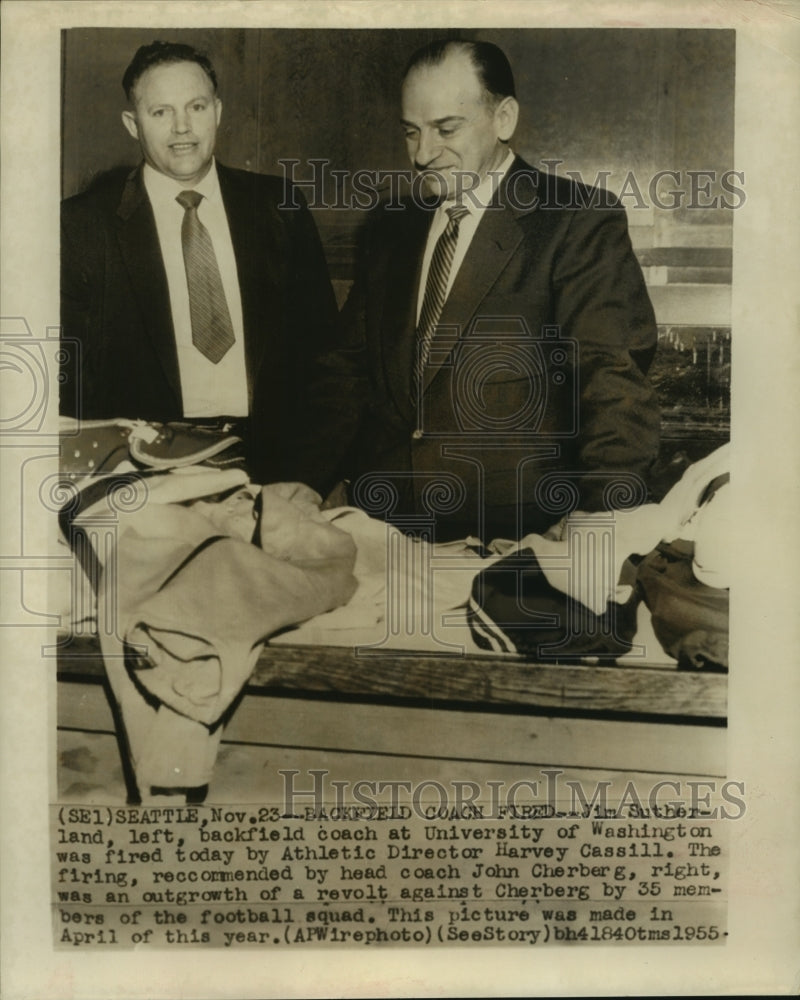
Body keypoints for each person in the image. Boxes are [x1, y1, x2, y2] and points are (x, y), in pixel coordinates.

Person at [290, 39, 660, 542]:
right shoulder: (388, 228)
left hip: (516, 532)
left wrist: (600, 520)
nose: (423, 155)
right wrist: (301, 483)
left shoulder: (577, 219)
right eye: (411, 132)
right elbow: (347, 371)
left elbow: (611, 381)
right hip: (382, 526)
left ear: (503, 118)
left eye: (446, 129)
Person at [60, 41, 338, 483]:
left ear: (219, 111)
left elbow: (326, 360)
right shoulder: (81, 226)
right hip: (147, 476)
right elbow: (68, 385)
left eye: (196, 106)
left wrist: (307, 481)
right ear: (132, 124)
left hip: (275, 470)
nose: (182, 128)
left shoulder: (278, 207)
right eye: (161, 112)